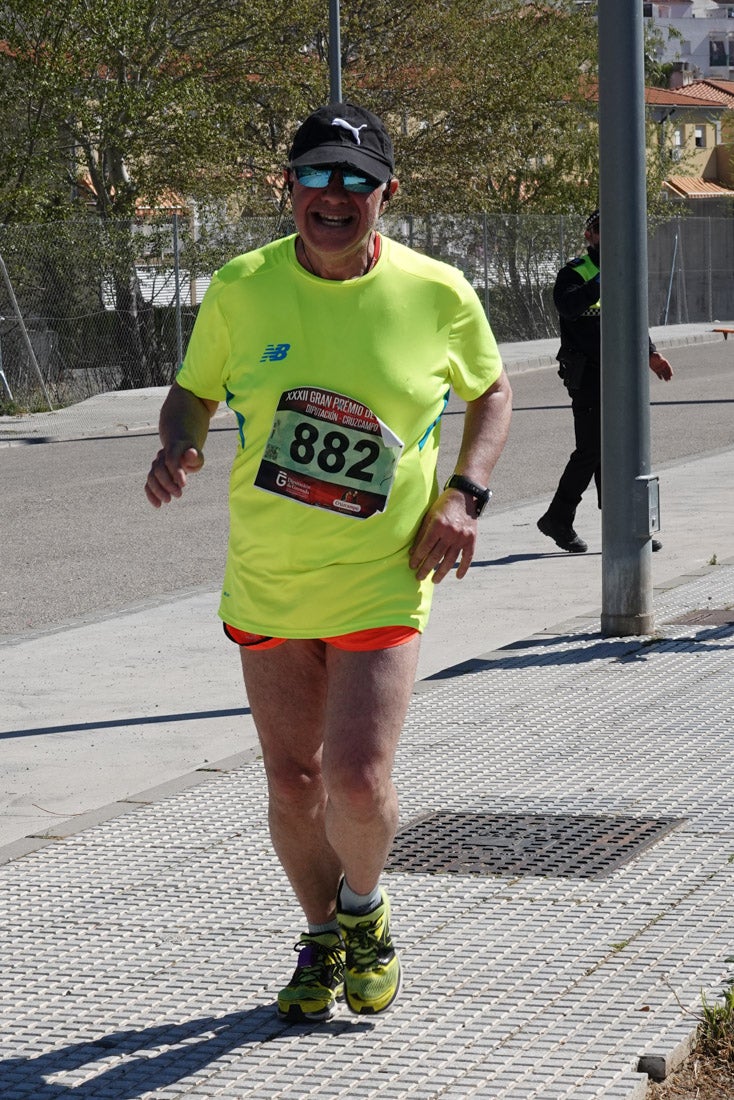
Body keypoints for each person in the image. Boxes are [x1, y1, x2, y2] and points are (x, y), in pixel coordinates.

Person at [144, 102, 512, 1022]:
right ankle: (323, 938)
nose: (335, 195)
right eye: (316, 175)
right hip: (268, 575)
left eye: (356, 178)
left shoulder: (438, 292)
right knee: (293, 781)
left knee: (354, 778)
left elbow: (493, 390)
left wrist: (465, 494)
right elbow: (191, 393)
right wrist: (177, 444)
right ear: (290, 188)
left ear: (388, 191)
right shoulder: (241, 285)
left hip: (385, 569)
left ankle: (364, 909)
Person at [537, 209, 672, 554]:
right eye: (601, 230)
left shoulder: (625, 272)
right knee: (593, 450)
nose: (608, 236)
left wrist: (651, 354)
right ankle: (562, 518)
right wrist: (601, 280)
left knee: (615, 452)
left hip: (620, 376)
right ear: (590, 236)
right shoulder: (574, 272)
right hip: (587, 376)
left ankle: (606, 523)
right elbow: (566, 307)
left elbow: (633, 319)